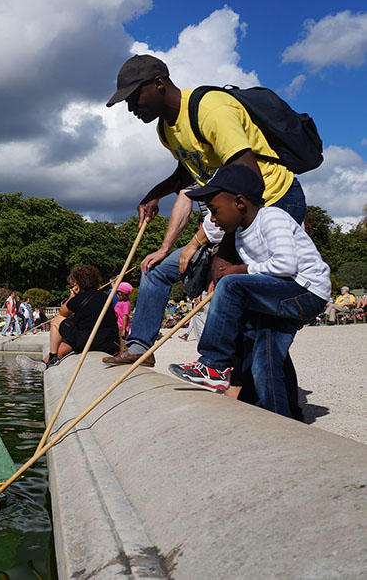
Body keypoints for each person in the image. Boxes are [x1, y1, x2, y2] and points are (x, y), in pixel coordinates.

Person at [103, 54, 309, 370]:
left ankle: (236, 376)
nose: (131, 108)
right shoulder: (166, 130)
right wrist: (156, 196)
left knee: (244, 295)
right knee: (156, 270)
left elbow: (248, 180)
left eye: (134, 97)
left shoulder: (211, 110)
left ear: (158, 84)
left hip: (271, 203)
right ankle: (140, 347)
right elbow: (189, 175)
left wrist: (218, 249)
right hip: (227, 215)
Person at [167, 166, 329, 417]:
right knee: (265, 356)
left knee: (233, 284)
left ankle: (214, 364)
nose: (211, 218)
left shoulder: (272, 217)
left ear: (239, 202)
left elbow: (285, 264)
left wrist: (239, 270)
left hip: (305, 290)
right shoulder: (240, 235)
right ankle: (281, 417)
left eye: (214, 209)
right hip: (279, 294)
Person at [34, 265, 121, 369]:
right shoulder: (105, 297)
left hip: (88, 342)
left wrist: (72, 296)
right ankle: (44, 362)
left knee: (56, 321)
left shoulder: (78, 299)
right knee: (68, 342)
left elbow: (62, 313)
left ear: (79, 282)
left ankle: (53, 357)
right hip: (110, 344)